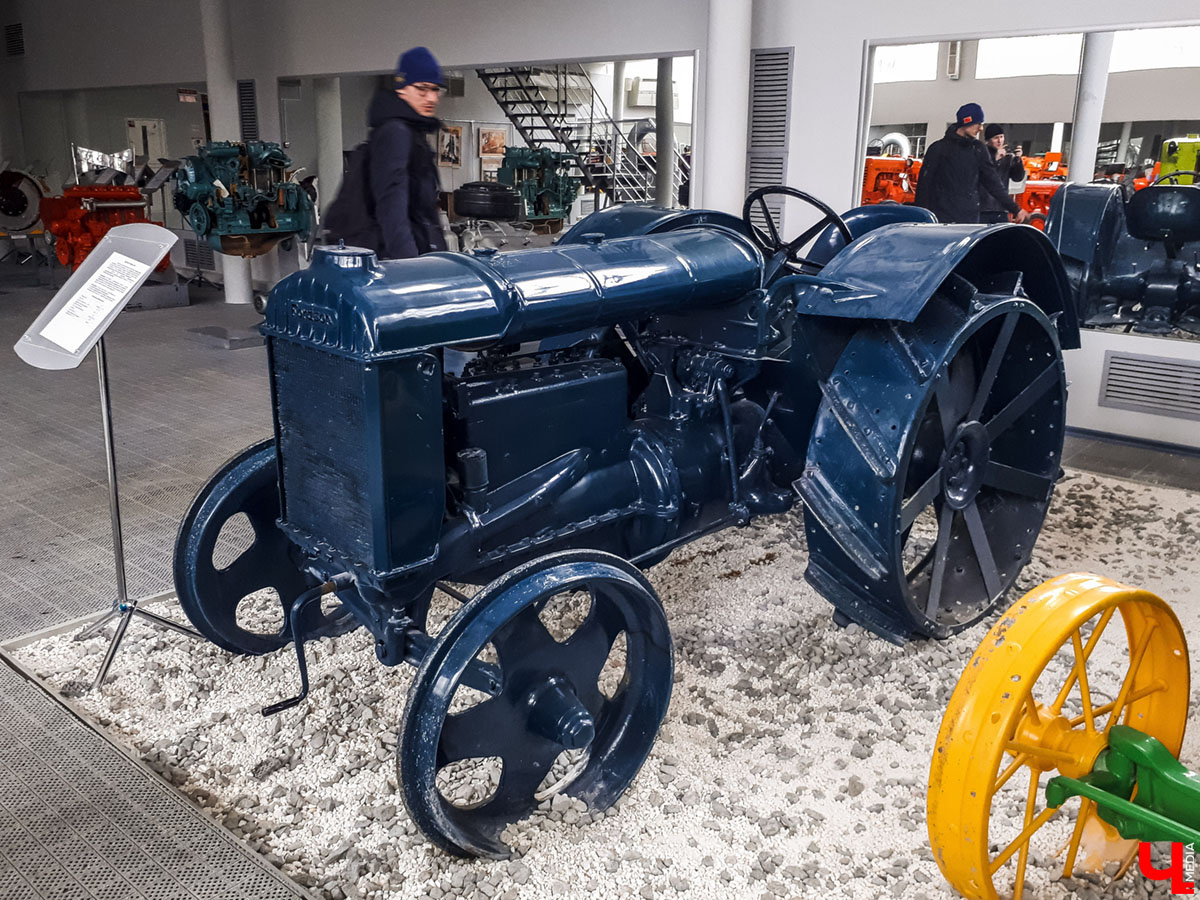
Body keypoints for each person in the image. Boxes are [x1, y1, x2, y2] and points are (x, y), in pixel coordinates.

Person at [330, 46, 448, 259]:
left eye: (436, 90)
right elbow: (391, 203)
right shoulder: (396, 133)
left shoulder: (412, 133)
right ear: (402, 88)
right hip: (390, 258)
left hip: (401, 254)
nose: (431, 98)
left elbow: (422, 211)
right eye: (422, 89)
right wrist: (410, 265)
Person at [914, 103, 1030, 225]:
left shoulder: (978, 149)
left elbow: (993, 182)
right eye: (978, 123)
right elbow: (924, 186)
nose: (980, 128)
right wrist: (922, 219)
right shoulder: (938, 149)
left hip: (968, 221)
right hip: (941, 220)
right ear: (966, 122)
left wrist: (1015, 209)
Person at [978, 123, 1027, 225]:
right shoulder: (981, 154)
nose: (999, 141)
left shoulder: (1007, 157)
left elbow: (1017, 178)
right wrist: (995, 159)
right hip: (982, 209)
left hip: (1001, 207)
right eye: (996, 138)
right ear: (988, 140)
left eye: (1001, 137)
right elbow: (985, 175)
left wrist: (1018, 160)